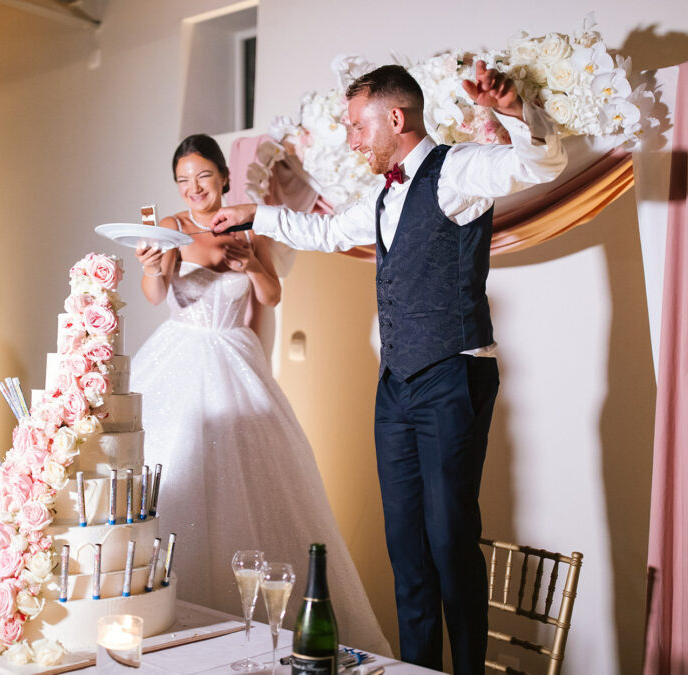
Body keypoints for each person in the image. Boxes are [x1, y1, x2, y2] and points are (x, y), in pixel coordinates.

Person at [211, 63, 568, 672]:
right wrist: (256, 216)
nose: (351, 139)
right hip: (397, 385)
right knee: (406, 548)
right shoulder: (383, 193)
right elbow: (325, 231)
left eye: (357, 126)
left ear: (394, 119)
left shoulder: (458, 169)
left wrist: (512, 112)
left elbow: (539, 164)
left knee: (450, 540)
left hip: (451, 373)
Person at [131, 134, 391, 654]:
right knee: (172, 472)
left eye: (203, 177)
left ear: (224, 177)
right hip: (179, 353)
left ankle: (251, 635)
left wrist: (250, 263)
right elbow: (156, 294)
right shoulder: (169, 229)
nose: (193, 189)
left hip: (234, 357)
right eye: (183, 181)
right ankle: (165, 630)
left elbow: (271, 295)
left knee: (250, 488)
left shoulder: (252, 223)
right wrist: (151, 266)